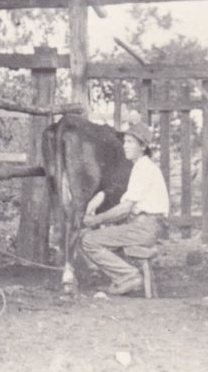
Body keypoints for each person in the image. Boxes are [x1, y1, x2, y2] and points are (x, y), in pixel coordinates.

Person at [80, 120, 169, 295]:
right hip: (146, 226)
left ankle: (128, 276)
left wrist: (96, 220)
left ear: (143, 146)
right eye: (124, 142)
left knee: (89, 240)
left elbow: (125, 208)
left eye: (130, 142)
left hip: (144, 227)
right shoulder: (142, 167)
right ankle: (126, 276)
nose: (125, 146)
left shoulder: (143, 169)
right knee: (98, 236)